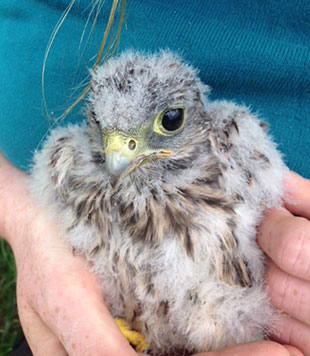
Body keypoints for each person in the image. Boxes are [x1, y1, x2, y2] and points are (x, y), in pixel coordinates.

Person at [0, 0, 309, 355]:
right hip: (85, 322)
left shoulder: (232, 145)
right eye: (104, 130)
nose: (118, 156)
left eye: (169, 122)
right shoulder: (72, 160)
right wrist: (23, 220)